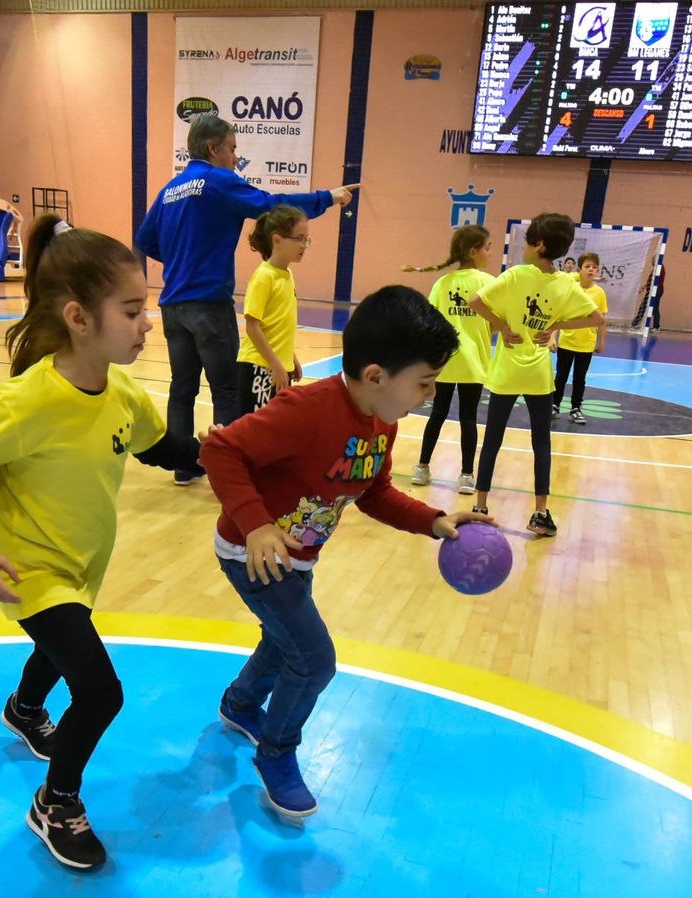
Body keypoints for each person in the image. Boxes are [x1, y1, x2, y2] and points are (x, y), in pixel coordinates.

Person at [0, 216, 202, 870]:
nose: (150, 323)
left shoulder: (119, 391)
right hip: (29, 569)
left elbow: (163, 449)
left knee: (58, 649)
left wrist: (233, 455)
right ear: (81, 317)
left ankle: (25, 708)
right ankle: (55, 801)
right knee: (100, 689)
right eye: (134, 310)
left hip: (80, 561)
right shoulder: (24, 404)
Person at [202, 285, 492, 817]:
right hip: (254, 553)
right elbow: (220, 449)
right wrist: (258, 524)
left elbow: (374, 493)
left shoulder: (384, 419)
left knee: (284, 637)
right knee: (313, 661)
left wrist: (434, 520)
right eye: (424, 383)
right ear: (377, 375)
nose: (427, 395)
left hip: (298, 555)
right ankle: (276, 751)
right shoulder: (305, 409)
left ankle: (241, 705)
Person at [135, 114, 358, 486]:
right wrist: (326, 198)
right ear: (213, 148)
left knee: (182, 388)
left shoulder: (170, 189)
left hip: (172, 306)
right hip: (208, 303)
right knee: (226, 391)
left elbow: (145, 240)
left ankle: (183, 466)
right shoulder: (218, 181)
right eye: (233, 148)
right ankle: (230, 470)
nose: (236, 157)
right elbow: (272, 205)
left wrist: (180, 258)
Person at [467, 213, 605, 536]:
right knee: (541, 443)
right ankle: (541, 514)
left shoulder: (515, 276)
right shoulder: (562, 284)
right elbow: (596, 318)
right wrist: (555, 325)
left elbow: (476, 302)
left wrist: (501, 326)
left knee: (492, 441)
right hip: (539, 374)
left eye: (528, 241)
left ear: (538, 244)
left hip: (507, 371)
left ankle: (480, 506)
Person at [407, 224, 494, 493]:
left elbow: (430, 321)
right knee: (469, 418)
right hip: (473, 363)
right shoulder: (488, 283)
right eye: (488, 248)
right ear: (474, 251)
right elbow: (498, 320)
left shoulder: (442, 283)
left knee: (438, 414)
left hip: (444, 361)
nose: (490, 253)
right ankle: (467, 475)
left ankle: (422, 467)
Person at [236, 206, 307, 414]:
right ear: (277, 240)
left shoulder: (287, 275)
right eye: (299, 238)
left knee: (273, 433)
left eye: (306, 239)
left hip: (277, 367)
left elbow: (278, 325)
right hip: (259, 366)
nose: (304, 245)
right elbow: (252, 327)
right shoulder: (263, 276)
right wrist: (276, 365)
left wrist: (290, 358)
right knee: (255, 435)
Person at [552, 252, 607, 425]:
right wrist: (553, 337)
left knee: (579, 378)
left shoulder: (599, 293)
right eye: (588, 266)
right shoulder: (570, 288)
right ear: (579, 270)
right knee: (561, 376)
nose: (592, 269)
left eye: (594, 267)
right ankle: (554, 405)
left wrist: (601, 341)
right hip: (567, 342)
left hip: (586, 344)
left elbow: (602, 320)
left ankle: (575, 408)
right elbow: (557, 315)